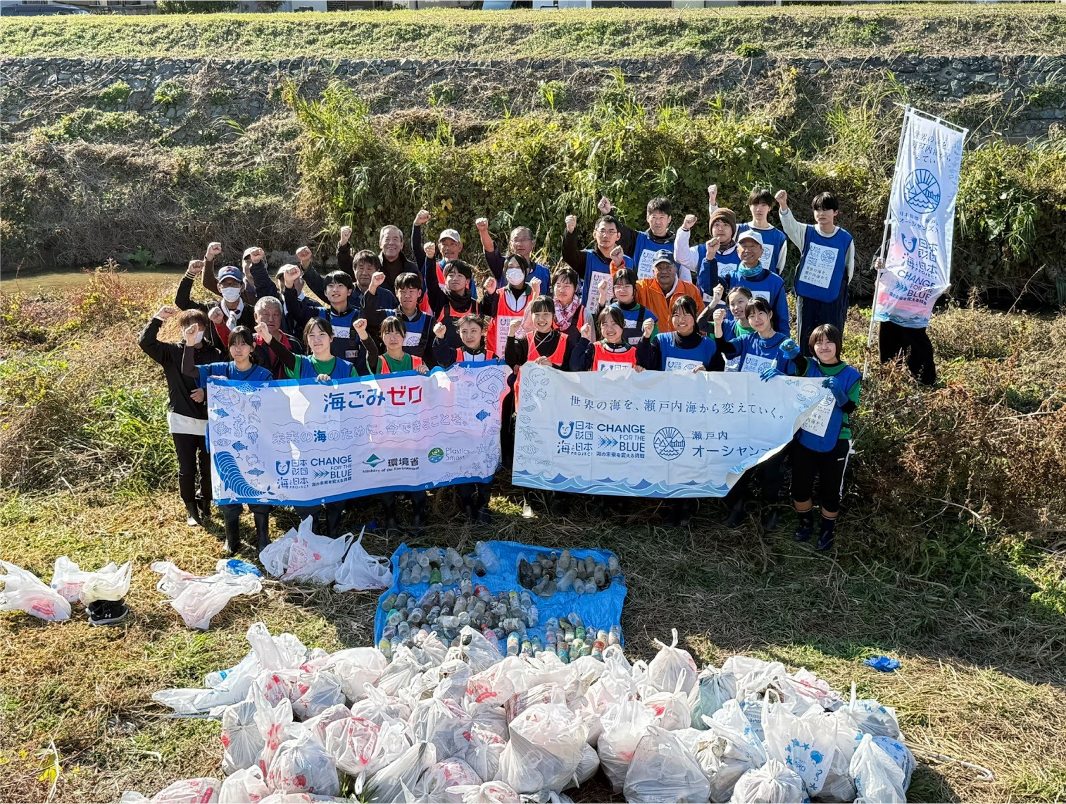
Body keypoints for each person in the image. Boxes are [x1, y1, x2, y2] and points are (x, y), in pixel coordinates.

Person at [258, 317, 373, 539]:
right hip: (307, 440)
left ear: (331, 338)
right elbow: (283, 354)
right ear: (307, 340)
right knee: (307, 488)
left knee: (337, 488)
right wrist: (267, 336)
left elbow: (356, 402)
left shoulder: (347, 368)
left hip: (337, 440)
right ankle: (313, 530)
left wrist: (334, 389)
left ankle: (333, 531)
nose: (317, 340)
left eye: (322, 335)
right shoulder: (301, 364)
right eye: (311, 335)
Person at [181, 324, 273, 555]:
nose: (238, 349)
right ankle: (232, 538)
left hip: (254, 442)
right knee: (228, 487)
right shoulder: (219, 369)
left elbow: (270, 406)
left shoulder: (263, 375)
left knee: (258, 486)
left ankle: (263, 537)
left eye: (243, 344)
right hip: (223, 442)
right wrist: (189, 343)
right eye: (233, 344)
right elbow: (188, 369)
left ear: (252, 348)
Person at [712, 301, 801, 530]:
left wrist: (781, 376)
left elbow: (797, 378)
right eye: (752, 316)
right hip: (746, 415)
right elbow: (726, 348)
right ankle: (739, 505)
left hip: (773, 418)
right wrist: (718, 325)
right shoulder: (747, 340)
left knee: (771, 467)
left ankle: (770, 508)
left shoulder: (784, 343)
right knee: (740, 461)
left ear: (770, 314)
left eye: (761, 313)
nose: (757, 319)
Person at [140, 305, 224, 528]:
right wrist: (158, 319)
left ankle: (206, 503)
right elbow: (145, 343)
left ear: (205, 328)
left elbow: (225, 381)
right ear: (181, 330)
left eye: (198, 326)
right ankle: (191, 509)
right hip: (181, 419)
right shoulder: (172, 352)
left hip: (209, 420)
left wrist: (206, 392)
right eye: (188, 326)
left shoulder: (214, 354)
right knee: (187, 468)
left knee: (207, 467)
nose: (193, 331)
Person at [782, 324, 861, 551]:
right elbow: (798, 362)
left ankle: (827, 530)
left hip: (837, 440)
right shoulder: (810, 366)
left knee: (830, 490)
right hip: (807, 437)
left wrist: (839, 393)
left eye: (829, 342)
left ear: (838, 345)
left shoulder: (851, 374)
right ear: (812, 347)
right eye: (818, 343)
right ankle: (805, 523)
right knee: (799, 488)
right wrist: (791, 352)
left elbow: (850, 408)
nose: (824, 347)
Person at [775, 189, 855, 356]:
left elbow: (848, 268)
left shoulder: (845, 238)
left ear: (835, 212)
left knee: (831, 338)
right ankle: (805, 367)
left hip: (832, 297)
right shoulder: (807, 232)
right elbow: (790, 227)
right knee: (806, 339)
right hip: (807, 296)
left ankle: (829, 367)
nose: (821, 213)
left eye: (826, 209)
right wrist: (783, 205)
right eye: (817, 209)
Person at [281, 265, 376, 367]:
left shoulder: (360, 318)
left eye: (340, 285)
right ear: (325, 293)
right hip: (321, 373)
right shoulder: (318, 315)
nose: (335, 289)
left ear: (349, 291)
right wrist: (289, 284)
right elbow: (294, 309)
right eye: (331, 286)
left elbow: (369, 351)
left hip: (352, 374)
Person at [703, 229, 790, 336]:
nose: (747, 250)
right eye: (744, 246)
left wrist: (784, 343)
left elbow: (781, 319)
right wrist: (710, 256)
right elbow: (709, 287)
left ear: (762, 251)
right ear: (737, 251)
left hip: (764, 341)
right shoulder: (730, 278)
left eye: (752, 246)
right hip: (734, 340)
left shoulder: (775, 282)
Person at [874, 257, 937, 385]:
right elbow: (878, 258)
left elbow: (939, 268)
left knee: (916, 340)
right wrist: (877, 264)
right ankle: (889, 379)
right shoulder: (891, 245)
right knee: (889, 342)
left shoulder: (930, 248)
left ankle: (924, 380)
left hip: (915, 304)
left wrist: (943, 284)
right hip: (891, 305)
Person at [210, 295, 304, 379]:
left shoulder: (294, 344)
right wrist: (220, 324)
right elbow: (231, 342)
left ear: (281, 317)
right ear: (255, 317)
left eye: (275, 314)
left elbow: (303, 371)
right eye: (265, 314)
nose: (271, 319)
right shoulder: (249, 341)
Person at [176, 260, 256, 348]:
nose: (229, 287)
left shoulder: (252, 313)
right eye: (225, 284)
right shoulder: (209, 310)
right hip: (215, 356)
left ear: (242, 287)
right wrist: (190, 274)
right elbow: (182, 302)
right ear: (219, 288)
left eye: (234, 284)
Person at [362, 271, 436, 364]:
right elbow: (367, 317)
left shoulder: (429, 321)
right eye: (403, 291)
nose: (407, 295)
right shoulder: (387, 316)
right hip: (390, 370)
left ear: (419, 293)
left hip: (417, 371)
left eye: (411, 291)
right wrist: (373, 286)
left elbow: (432, 354)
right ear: (396, 293)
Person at [561, 212, 632, 306]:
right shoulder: (587, 257)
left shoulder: (628, 262)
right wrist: (570, 231)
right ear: (594, 234)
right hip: (590, 312)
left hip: (618, 313)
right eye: (602, 231)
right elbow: (569, 255)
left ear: (618, 236)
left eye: (611, 231)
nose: (606, 235)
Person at [597, 195, 675, 281]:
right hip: (639, 288)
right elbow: (619, 230)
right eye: (654, 217)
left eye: (662, 217)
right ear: (647, 218)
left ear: (669, 219)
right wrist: (608, 213)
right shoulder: (637, 239)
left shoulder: (677, 245)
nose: (658, 222)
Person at [637, 295, 719, 372]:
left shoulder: (709, 345)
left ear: (695, 316)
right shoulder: (661, 341)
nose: (681, 320)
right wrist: (646, 336)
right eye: (676, 315)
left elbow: (719, 375)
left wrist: (706, 373)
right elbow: (645, 363)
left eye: (686, 314)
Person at [482, 256, 540, 359]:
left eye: (518, 267)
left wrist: (536, 294)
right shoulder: (498, 294)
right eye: (510, 267)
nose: (514, 270)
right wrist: (490, 294)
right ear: (505, 271)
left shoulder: (535, 293)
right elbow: (486, 311)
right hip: (498, 357)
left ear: (526, 270)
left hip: (526, 355)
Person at [635, 250, 704, 333]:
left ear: (675, 270)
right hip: (652, 339)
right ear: (653, 271)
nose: (664, 271)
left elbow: (701, 321)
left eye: (668, 267)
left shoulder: (691, 290)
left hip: (683, 340)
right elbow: (623, 289)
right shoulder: (642, 288)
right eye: (659, 268)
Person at [586, 267, 657, 346]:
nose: (622, 290)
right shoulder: (609, 311)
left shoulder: (647, 316)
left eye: (627, 286)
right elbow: (597, 330)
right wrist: (602, 295)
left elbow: (654, 346)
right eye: (618, 286)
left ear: (634, 288)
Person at [476, 217, 551, 291]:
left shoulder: (544, 272)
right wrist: (483, 231)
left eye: (524, 239)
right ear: (510, 245)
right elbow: (490, 248)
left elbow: (550, 297)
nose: (520, 244)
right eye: (516, 240)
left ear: (533, 243)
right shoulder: (502, 264)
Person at [423, 259, 481, 349]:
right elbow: (431, 281)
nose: (455, 278)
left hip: (466, 356)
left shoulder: (475, 306)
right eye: (451, 275)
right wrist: (430, 258)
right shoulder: (439, 299)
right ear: (445, 280)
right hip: (441, 355)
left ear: (467, 281)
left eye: (459, 275)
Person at [569, 307, 641, 372]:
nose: (609, 329)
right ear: (599, 327)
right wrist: (584, 339)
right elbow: (575, 367)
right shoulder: (594, 349)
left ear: (623, 324)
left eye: (614, 324)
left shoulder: (634, 353)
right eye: (605, 324)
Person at [431, 315, 495, 367]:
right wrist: (440, 337)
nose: (468, 336)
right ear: (459, 333)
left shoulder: (493, 358)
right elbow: (442, 358)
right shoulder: (454, 356)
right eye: (464, 331)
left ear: (483, 331)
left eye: (473, 331)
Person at [551, 266, 587, 343]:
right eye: (558, 285)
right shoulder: (548, 308)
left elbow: (590, 343)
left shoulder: (583, 312)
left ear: (576, 288)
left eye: (566, 286)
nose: (561, 290)